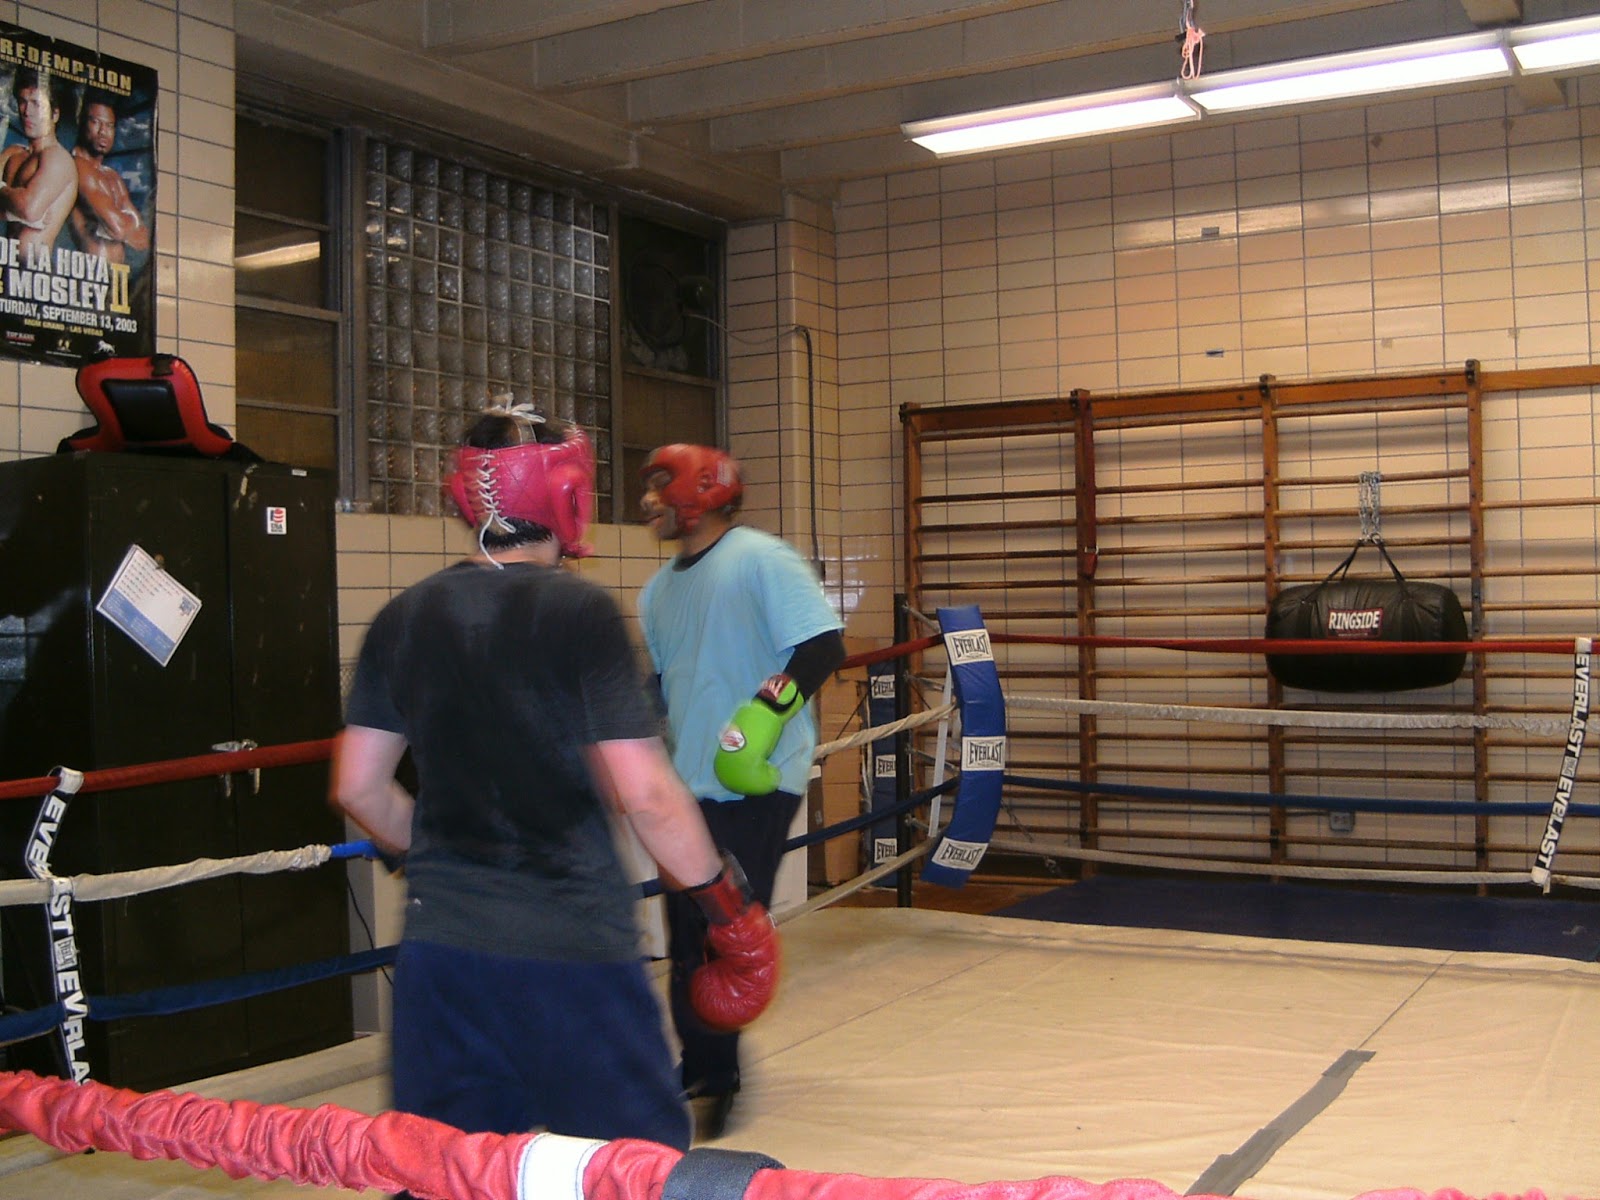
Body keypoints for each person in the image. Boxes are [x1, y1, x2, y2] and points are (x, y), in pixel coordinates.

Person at [332, 408, 779, 1157]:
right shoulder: (579, 611)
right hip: (573, 949)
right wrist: (728, 909)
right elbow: (647, 794)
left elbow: (359, 788)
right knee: (631, 1171)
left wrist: (440, 854)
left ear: (464, 498)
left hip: (442, 958)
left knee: (447, 1172)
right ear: (569, 494)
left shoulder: (402, 617)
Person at [638, 444, 845, 1140]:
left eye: (659, 485)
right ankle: (700, 1064)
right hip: (686, 783)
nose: (648, 502)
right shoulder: (657, 591)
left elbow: (822, 646)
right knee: (683, 929)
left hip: (757, 780)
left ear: (700, 490)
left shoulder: (762, 559)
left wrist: (762, 716)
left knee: (720, 927)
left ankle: (716, 1074)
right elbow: (664, 686)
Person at [0, 67, 77, 255]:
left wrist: (2, 191)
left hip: (34, 268)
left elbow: (29, 210)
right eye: (23, 102)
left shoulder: (58, 158)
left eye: (37, 104)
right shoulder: (13, 153)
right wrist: (13, 210)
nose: (27, 112)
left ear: (54, 114)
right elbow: (26, 210)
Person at [68, 90, 149, 263]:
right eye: (95, 122)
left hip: (117, 275)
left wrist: (120, 223)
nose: (103, 132)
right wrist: (126, 222)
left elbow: (143, 239)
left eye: (109, 125)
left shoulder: (112, 177)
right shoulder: (77, 166)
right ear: (82, 121)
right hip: (88, 272)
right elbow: (118, 228)